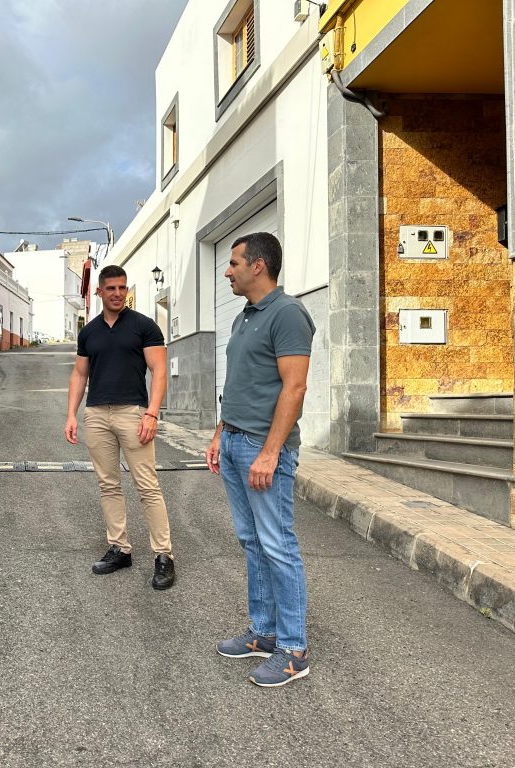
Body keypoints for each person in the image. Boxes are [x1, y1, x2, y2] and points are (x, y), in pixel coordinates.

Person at [204, 232, 314, 688]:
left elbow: (295, 388)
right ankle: (264, 632)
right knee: (252, 541)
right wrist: (218, 433)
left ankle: (293, 649)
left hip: (263, 448)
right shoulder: (243, 317)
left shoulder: (288, 314)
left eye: (233, 263)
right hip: (234, 442)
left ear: (259, 266)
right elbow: (241, 381)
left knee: (278, 545)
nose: (227, 271)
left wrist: (270, 452)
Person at [65, 264, 176, 591]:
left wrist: (152, 414)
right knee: (108, 484)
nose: (117, 294)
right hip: (97, 414)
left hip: (133, 413)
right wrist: (71, 414)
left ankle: (164, 556)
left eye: (122, 288)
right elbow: (79, 374)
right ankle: (120, 548)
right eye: (110, 288)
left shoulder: (144, 326)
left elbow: (159, 371)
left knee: (147, 485)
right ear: (98, 291)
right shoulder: (89, 332)